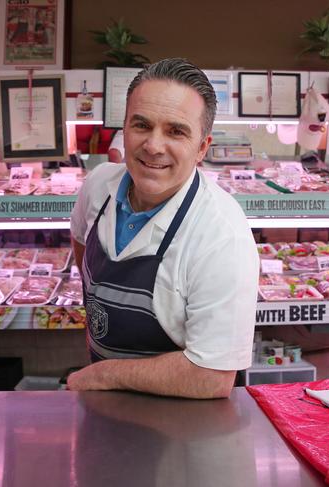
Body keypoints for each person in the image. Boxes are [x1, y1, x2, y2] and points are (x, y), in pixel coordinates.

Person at [68, 58, 259, 399]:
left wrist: (102, 374)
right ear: (123, 129)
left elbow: (210, 377)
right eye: (141, 125)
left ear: (202, 147)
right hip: (106, 411)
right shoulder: (98, 186)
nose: (154, 146)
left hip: (185, 426)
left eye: (176, 131)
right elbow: (81, 246)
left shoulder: (221, 234)